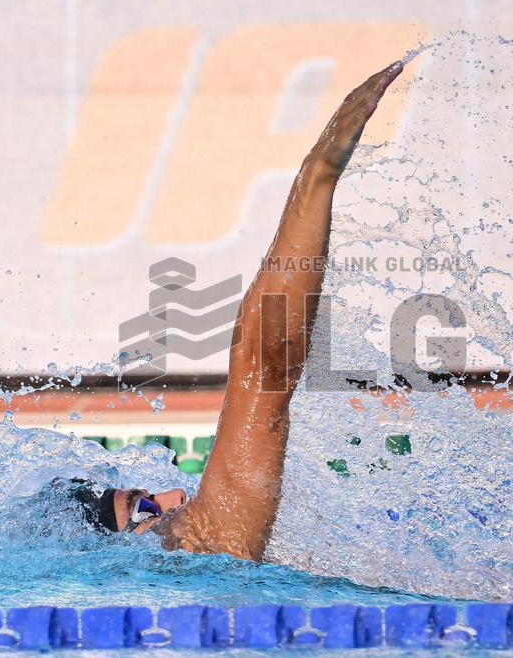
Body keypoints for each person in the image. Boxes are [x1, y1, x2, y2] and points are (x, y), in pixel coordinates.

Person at [68, 59, 406, 561]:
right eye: (143, 509)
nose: (177, 497)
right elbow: (266, 368)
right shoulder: (193, 543)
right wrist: (317, 177)